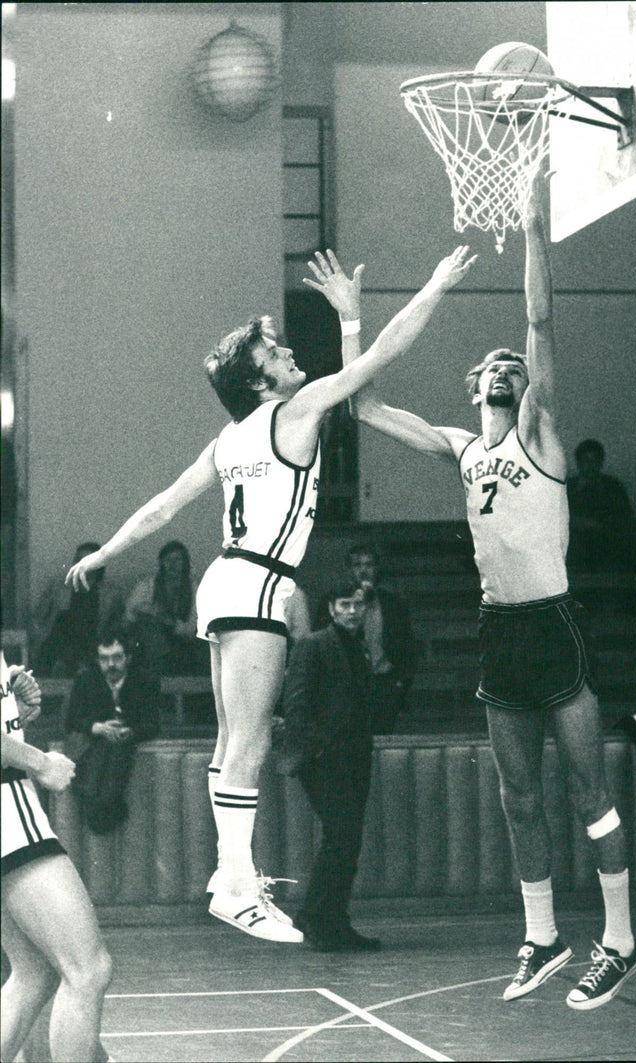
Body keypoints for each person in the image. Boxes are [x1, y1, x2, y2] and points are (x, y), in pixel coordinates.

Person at [66, 245, 476, 943]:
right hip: (257, 579)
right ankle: (235, 884)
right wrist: (430, 286)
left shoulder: (228, 439)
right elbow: (376, 362)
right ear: (260, 381)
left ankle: (230, 876)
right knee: (250, 739)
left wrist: (106, 551)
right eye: (276, 351)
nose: (288, 353)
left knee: (233, 739)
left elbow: (164, 506)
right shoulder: (295, 409)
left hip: (221, 579)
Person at [343, 185, 636, 1010]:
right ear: (478, 384)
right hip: (498, 629)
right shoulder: (463, 445)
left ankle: (619, 937)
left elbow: (539, 325)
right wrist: (353, 318)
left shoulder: (541, 435)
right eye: (496, 365)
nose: (509, 363)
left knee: (588, 792)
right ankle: (542, 934)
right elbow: (364, 402)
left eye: (515, 363)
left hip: (553, 622)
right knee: (517, 794)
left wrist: (535, 218)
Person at [1, 649, 113, 1063]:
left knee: (33, 974)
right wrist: (41, 762)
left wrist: (10, 707)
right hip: (6, 809)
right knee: (88, 971)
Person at [278, 575, 381, 951]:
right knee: (342, 837)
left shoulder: (361, 647)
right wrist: (317, 748)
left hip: (354, 755)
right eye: (344, 605)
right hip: (325, 758)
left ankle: (323, 917)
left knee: (345, 839)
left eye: (357, 604)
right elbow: (296, 704)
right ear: (331, 609)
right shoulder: (313, 644)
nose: (352, 611)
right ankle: (322, 920)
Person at [64, 623, 160, 834]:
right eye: (104, 659)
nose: (111, 665)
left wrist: (131, 731)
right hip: (95, 745)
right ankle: (104, 806)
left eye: (117, 657)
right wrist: (96, 727)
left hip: (126, 745)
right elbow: (71, 720)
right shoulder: (86, 679)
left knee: (115, 754)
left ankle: (104, 805)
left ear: (128, 658)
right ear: (97, 660)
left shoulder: (145, 680)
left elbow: (153, 724)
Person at [346, 540, 417, 733]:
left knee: (383, 737)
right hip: (350, 684)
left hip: (385, 683)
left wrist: (400, 683)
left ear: (377, 568)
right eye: (357, 565)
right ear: (349, 569)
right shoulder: (337, 602)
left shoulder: (393, 603)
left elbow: (407, 646)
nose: (363, 570)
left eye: (368, 565)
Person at [32, 541, 125, 677]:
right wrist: (39, 637)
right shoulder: (58, 587)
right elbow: (38, 617)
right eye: (79, 559)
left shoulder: (111, 592)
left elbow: (118, 622)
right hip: (59, 641)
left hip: (94, 641)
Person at [125, 540, 206, 675]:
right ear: (161, 563)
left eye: (177, 559)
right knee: (147, 622)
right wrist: (152, 612)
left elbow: (195, 627)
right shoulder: (147, 586)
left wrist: (172, 624)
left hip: (184, 641)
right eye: (167, 560)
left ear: (185, 562)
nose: (172, 564)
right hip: (151, 642)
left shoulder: (195, 588)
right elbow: (129, 616)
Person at [566, 439, 633, 572]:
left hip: (607, 545)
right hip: (574, 547)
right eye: (586, 460)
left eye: (595, 460)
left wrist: (596, 524)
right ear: (578, 462)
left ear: (601, 463)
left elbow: (624, 516)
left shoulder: (613, 487)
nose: (591, 465)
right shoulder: (567, 488)